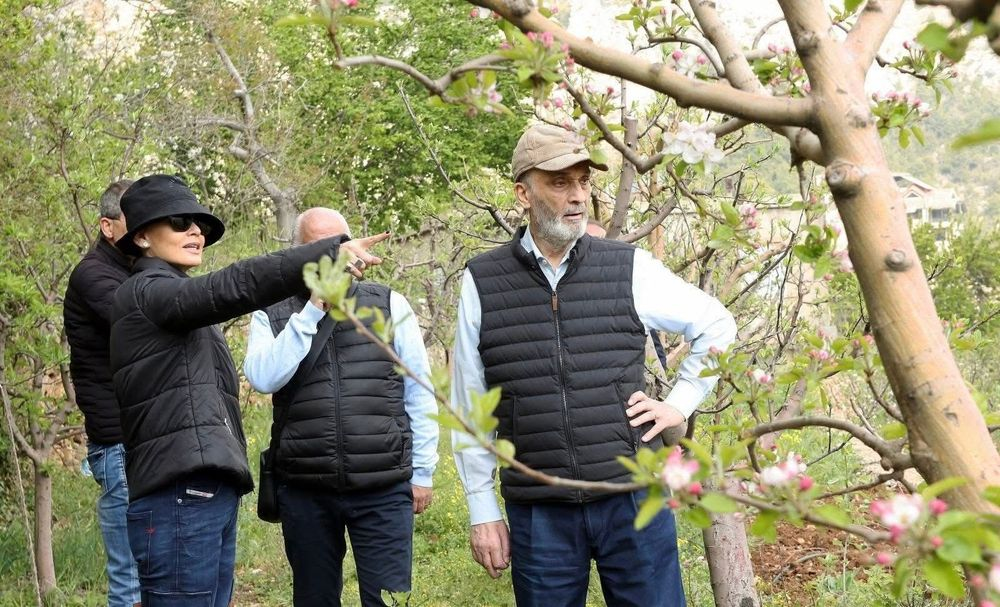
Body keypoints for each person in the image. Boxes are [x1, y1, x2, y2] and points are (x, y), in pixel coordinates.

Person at [451, 123, 737, 606]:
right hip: (538, 507)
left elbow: (717, 325)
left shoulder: (628, 267)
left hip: (631, 498)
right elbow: (469, 406)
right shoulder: (483, 281)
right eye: (560, 183)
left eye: (583, 181)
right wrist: (483, 509)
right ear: (523, 192)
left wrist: (679, 404)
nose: (578, 196)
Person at [108, 175, 387, 607]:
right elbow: (233, 285)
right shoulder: (147, 293)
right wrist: (325, 253)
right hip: (180, 495)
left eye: (200, 224)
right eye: (181, 222)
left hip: (206, 491)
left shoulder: (174, 299)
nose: (196, 232)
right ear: (141, 236)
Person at [243, 208, 439, 607]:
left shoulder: (389, 304)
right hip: (304, 488)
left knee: (388, 599)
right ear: (297, 253)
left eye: (341, 242)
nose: (335, 254)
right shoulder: (273, 313)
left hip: (383, 486)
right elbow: (264, 378)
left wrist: (422, 471)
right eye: (318, 246)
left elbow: (420, 391)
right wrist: (313, 309)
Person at [64, 179, 141, 607]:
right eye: (138, 223)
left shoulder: (132, 269)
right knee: (129, 582)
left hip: (143, 439)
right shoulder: (94, 274)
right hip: (118, 444)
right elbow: (141, 319)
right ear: (107, 227)